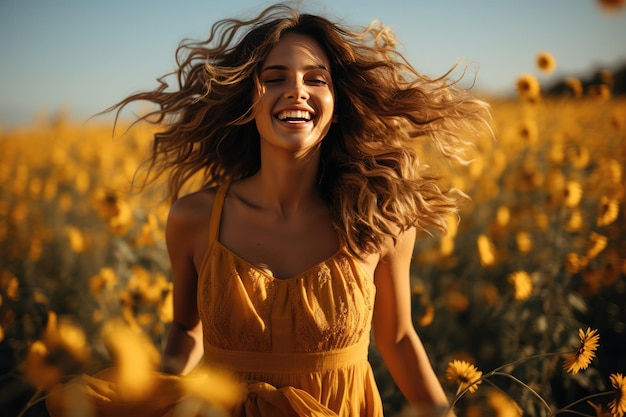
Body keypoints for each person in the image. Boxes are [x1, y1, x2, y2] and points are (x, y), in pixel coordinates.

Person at [48, 2, 491, 416]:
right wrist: (161, 397)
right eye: (274, 78)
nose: (297, 91)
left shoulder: (379, 217)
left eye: (316, 79)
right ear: (249, 100)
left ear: (336, 106)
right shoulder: (194, 219)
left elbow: (396, 338)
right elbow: (187, 329)